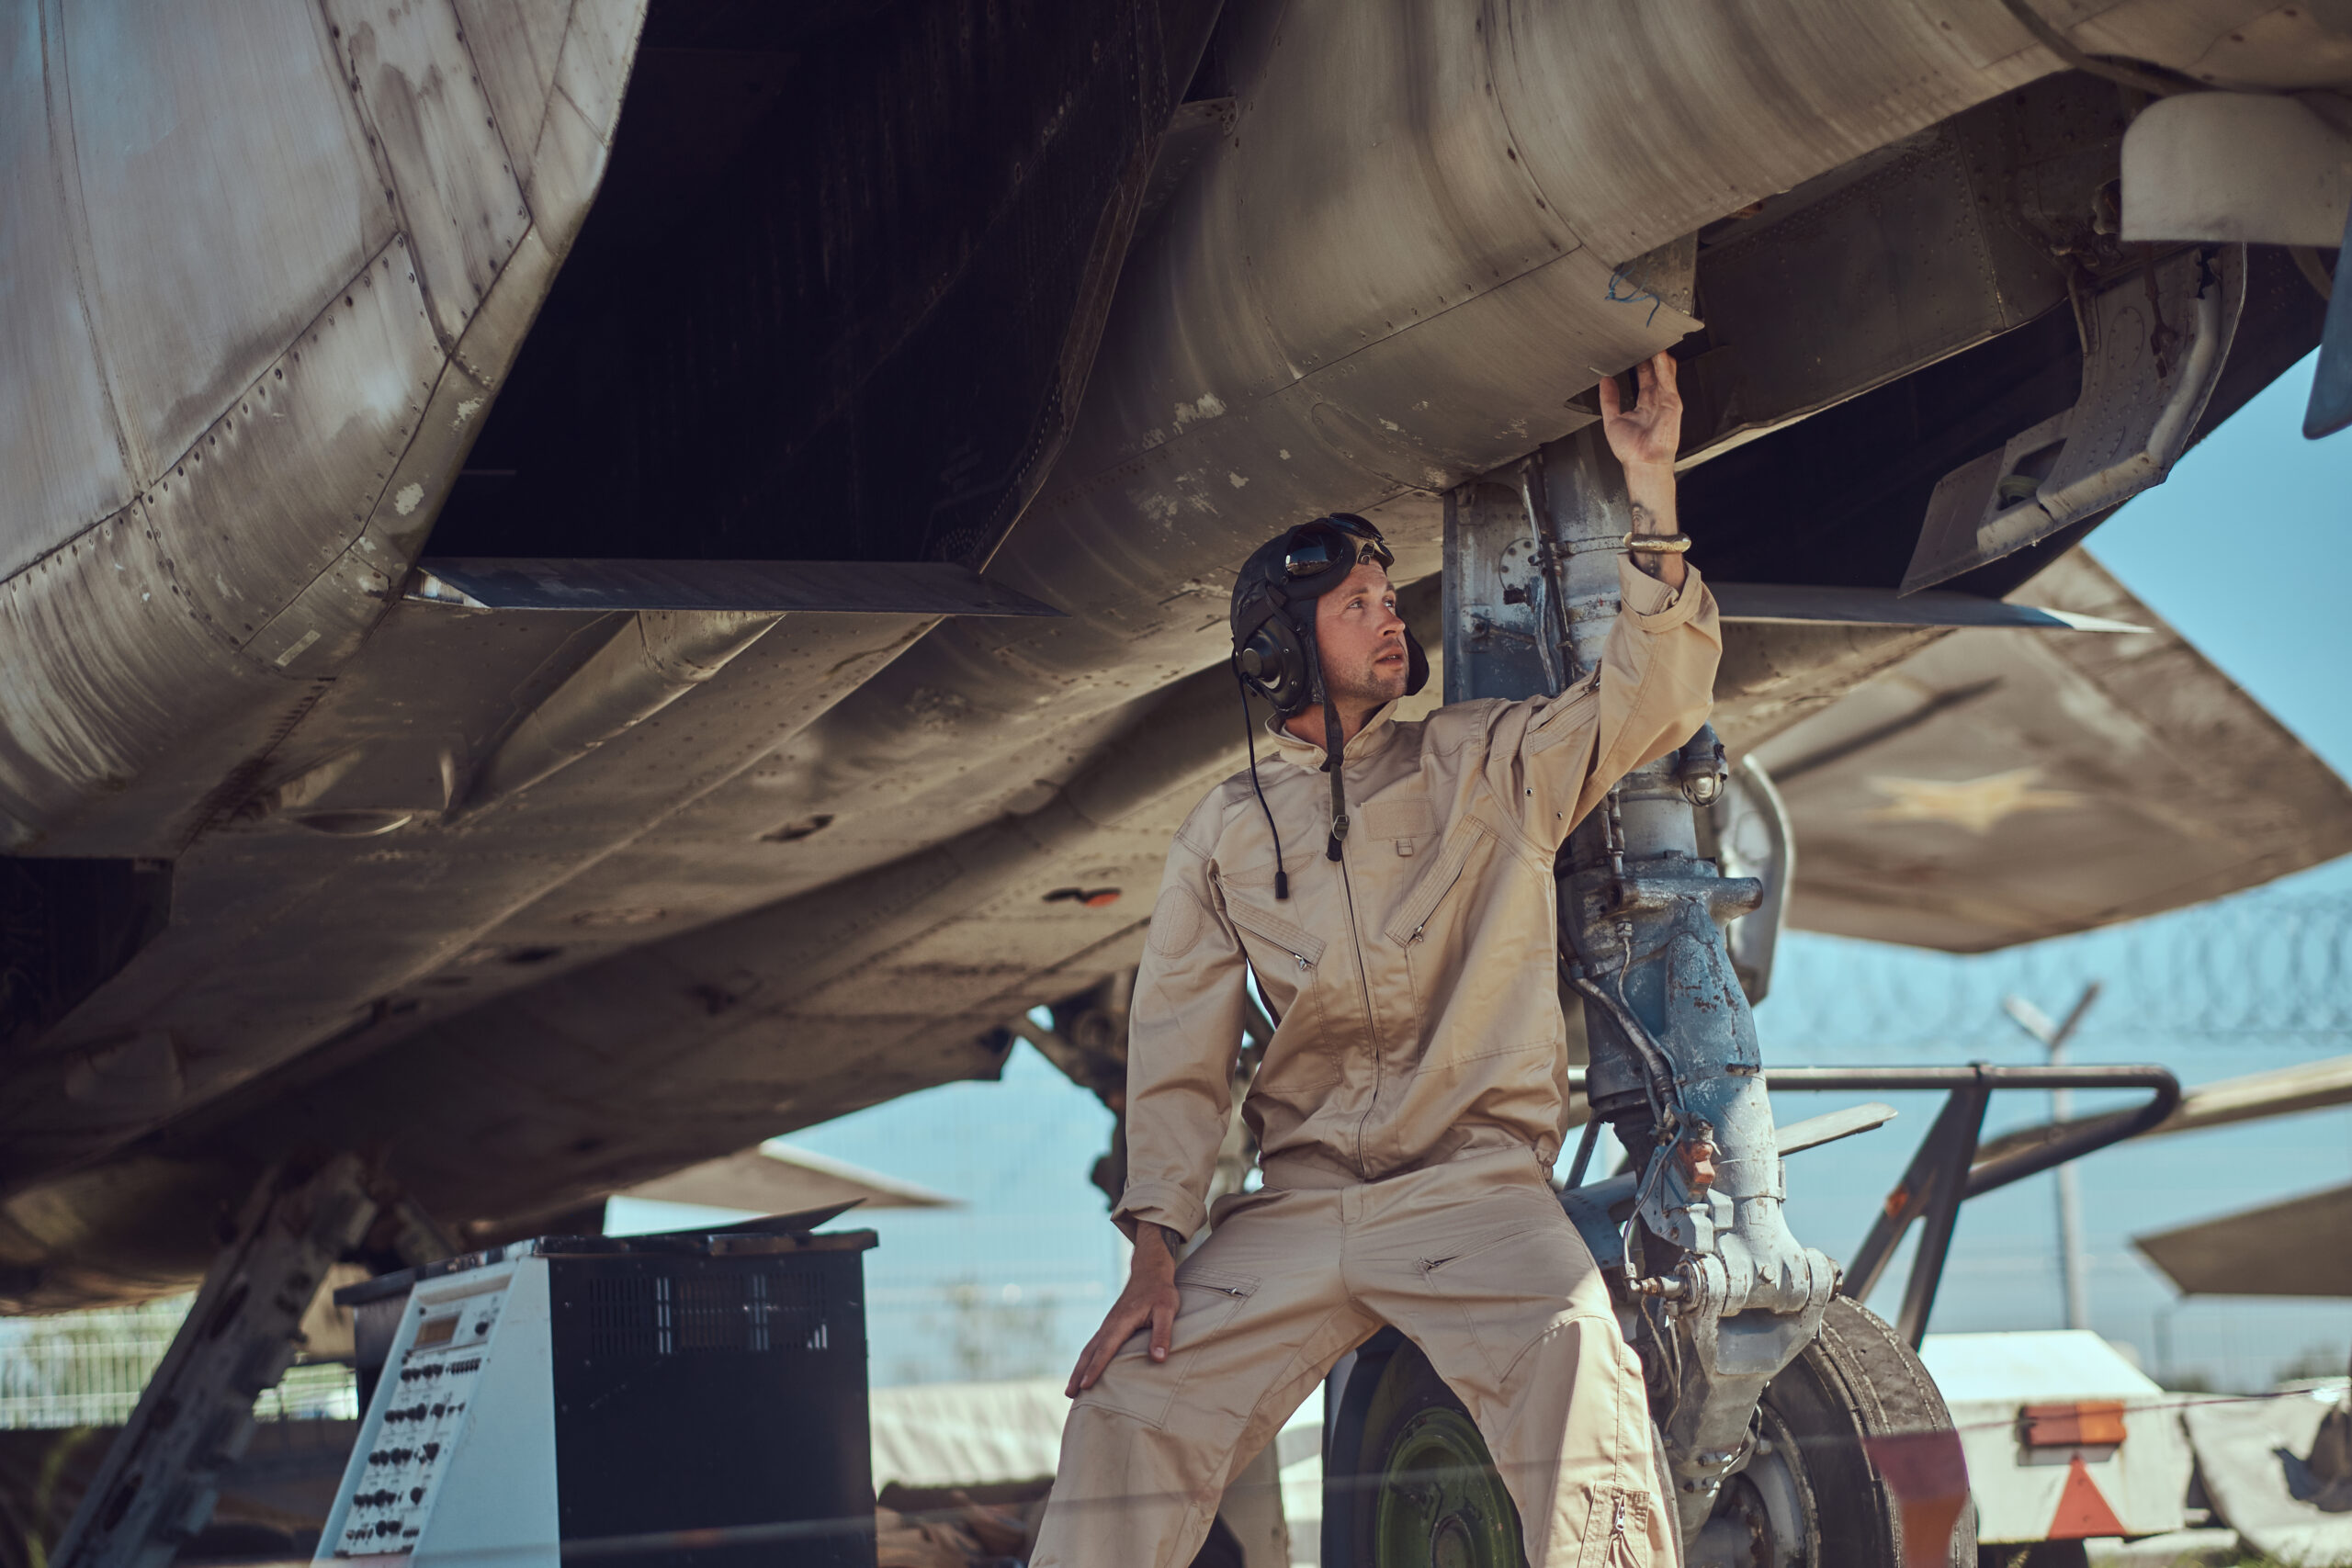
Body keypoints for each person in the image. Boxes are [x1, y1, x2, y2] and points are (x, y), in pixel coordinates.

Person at [1029, 352, 1717, 1567]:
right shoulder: (1225, 832)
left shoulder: (1488, 763)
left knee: (1580, 1373)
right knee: (1127, 1407)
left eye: (1390, 597)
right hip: (1301, 1208)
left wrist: (1650, 483)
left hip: (1475, 1196)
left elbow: (1649, 693)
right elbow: (1178, 1048)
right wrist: (1156, 1247)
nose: (1390, 616)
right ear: (1283, 655)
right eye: (1358, 605)